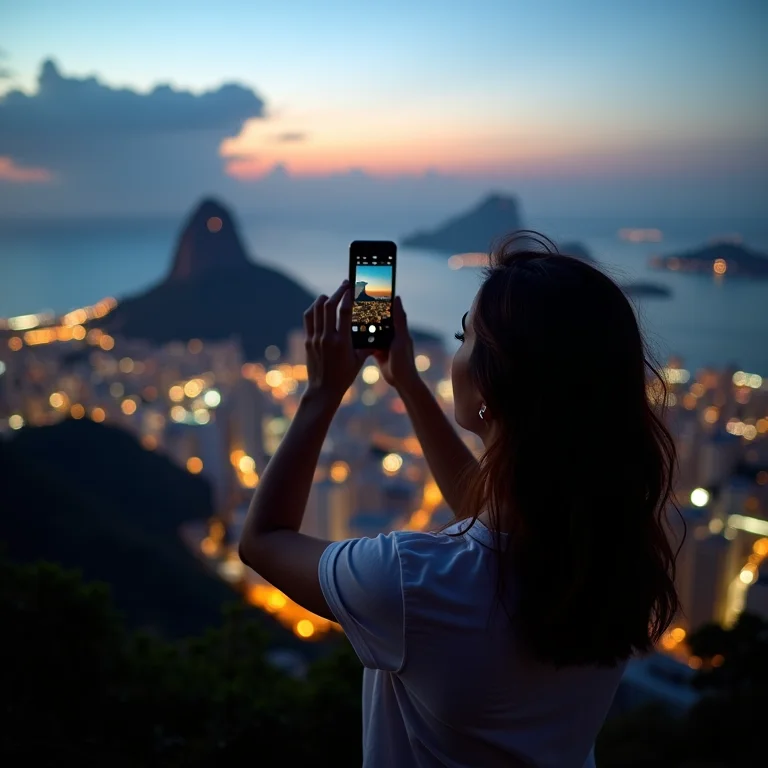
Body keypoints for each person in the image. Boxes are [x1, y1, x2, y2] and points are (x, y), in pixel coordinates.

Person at [238, 232, 680, 768]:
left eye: (463, 337)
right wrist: (406, 380)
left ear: (494, 386)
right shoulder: (616, 554)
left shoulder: (412, 582)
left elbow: (264, 542)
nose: (454, 352)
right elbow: (491, 518)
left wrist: (320, 394)